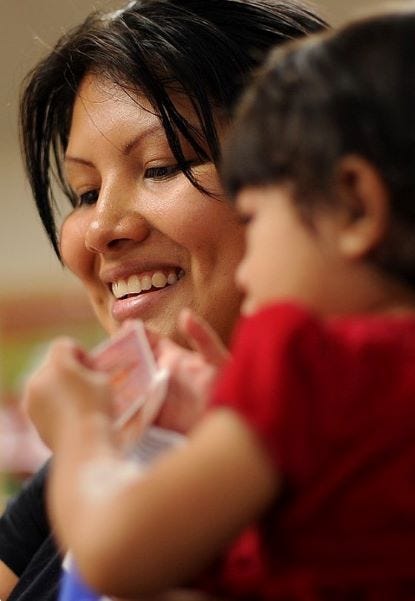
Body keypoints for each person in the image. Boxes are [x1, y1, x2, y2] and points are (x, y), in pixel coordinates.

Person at [25, 5, 415, 600]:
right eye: (84, 191)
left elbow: (116, 554)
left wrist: (82, 428)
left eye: (163, 165)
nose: (102, 226)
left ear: (356, 204)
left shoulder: (299, 357)